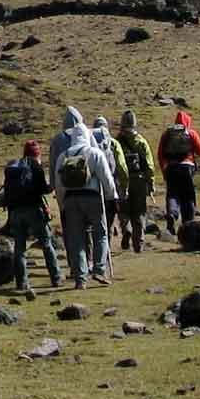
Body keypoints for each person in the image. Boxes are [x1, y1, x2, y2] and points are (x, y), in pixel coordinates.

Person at [51, 110, 116, 287]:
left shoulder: (63, 156)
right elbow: (106, 179)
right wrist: (112, 198)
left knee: (76, 238)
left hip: (71, 200)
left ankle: (80, 278)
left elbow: (59, 184)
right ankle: (99, 269)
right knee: (100, 234)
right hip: (93, 198)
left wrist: (62, 204)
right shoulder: (94, 153)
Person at [0, 140, 61, 297]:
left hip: (15, 212)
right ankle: (56, 278)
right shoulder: (35, 166)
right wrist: (51, 187)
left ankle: (22, 283)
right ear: (37, 153)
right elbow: (42, 189)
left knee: (19, 248)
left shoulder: (14, 167)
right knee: (46, 244)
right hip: (34, 210)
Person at [157, 109, 200, 233]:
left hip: (171, 168)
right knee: (188, 196)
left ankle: (172, 214)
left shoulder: (167, 134)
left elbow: (160, 154)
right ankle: (188, 223)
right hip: (186, 168)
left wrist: (164, 170)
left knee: (172, 194)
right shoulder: (190, 133)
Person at [91, 117, 130, 256]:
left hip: (94, 188)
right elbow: (121, 165)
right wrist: (124, 184)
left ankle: (101, 251)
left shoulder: (90, 144)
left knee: (98, 222)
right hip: (112, 183)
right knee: (113, 214)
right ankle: (123, 230)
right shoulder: (113, 143)